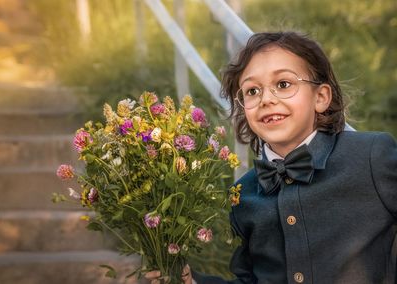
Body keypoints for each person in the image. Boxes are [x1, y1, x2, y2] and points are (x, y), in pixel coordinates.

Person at [146, 31, 397, 284]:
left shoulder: (371, 155)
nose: (266, 99)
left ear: (320, 97)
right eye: (252, 91)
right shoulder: (244, 192)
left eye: (283, 84)